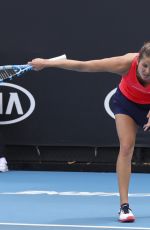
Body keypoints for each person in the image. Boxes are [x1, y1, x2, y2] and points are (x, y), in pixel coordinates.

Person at [28, 42, 150, 222]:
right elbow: (85, 65)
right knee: (126, 147)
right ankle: (124, 207)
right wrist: (47, 63)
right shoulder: (124, 63)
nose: (147, 71)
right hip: (127, 104)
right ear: (138, 60)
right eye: (145, 65)